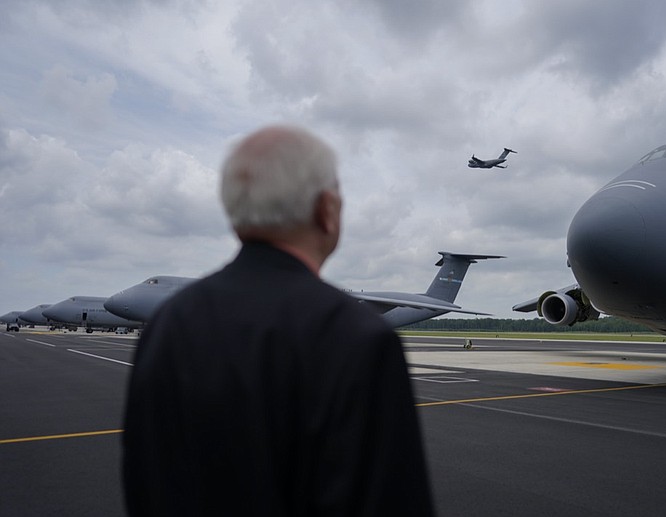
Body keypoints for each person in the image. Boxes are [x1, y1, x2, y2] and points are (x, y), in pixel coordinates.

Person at [122, 125, 435, 516]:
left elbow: (144, 482)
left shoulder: (168, 327)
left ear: (236, 215)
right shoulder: (356, 337)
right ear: (326, 210)